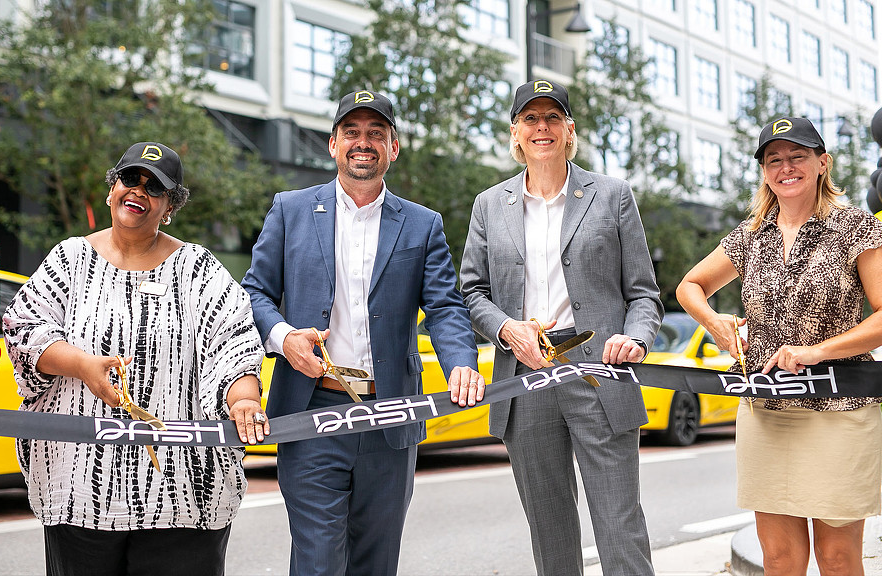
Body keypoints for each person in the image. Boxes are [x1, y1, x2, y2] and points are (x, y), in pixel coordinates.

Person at [241, 89, 483, 576]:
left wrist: (461, 362)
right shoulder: (290, 209)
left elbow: (444, 307)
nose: (363, 143)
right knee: (318, 560)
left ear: (393, 148)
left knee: (376, 560)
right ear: (333, 144)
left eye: (376, 133)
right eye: (351, 132)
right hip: (311, 412)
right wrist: (284, 336)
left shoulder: (423, 224)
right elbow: (255, 293)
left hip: (391, 414)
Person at [3, 142, 266, 576]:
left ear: (169, 207)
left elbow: (234, 343)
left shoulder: (198, 269)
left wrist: (242, 400)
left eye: (156, 188)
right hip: (79, 488)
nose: (139, 192)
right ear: (111, 190)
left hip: (183, 491)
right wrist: (83, 365)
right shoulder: (69, 260)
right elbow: (26, 331)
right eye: (131, 179)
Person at [460, 79, 662, 576]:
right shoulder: (490, 204)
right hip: (524, 378)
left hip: (599, 372)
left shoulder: (612, 195)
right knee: (549, 531)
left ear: (569, 130)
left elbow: (644, 293)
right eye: (531, 119)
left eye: (552, 118)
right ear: (516, 132)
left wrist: (634, 339)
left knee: (620, 526)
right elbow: (472, 292)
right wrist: (508, 329)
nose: (542, 127)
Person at [677, 117, 882, 576]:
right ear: (765, 172)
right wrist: (714, 321)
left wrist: (818, 351)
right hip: (766, 411)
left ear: (822, 163)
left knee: (837, 558)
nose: (786, 167)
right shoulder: (751, 235)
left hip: (841, 407)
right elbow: (689, 285)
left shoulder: (856, 227)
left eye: (798, 156)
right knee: (780, 559)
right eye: (774, 160)